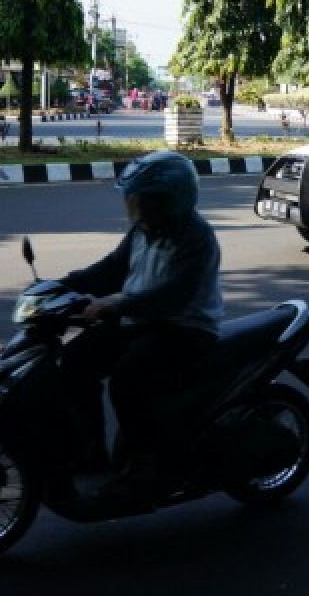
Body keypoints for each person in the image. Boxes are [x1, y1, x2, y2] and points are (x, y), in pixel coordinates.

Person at [58, 150, 223, 505]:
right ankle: (90, 451)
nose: (135, 207)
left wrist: (115, 305)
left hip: (185, 329)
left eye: (143, 199)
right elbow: (111, 269)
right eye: (134, 199)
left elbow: (172, 296)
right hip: (141, 321)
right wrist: (60, 287)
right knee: (72, 362)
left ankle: (145, 470)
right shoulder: (143, 231)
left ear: (169, 200)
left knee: (128, 380)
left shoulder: (196, 237)